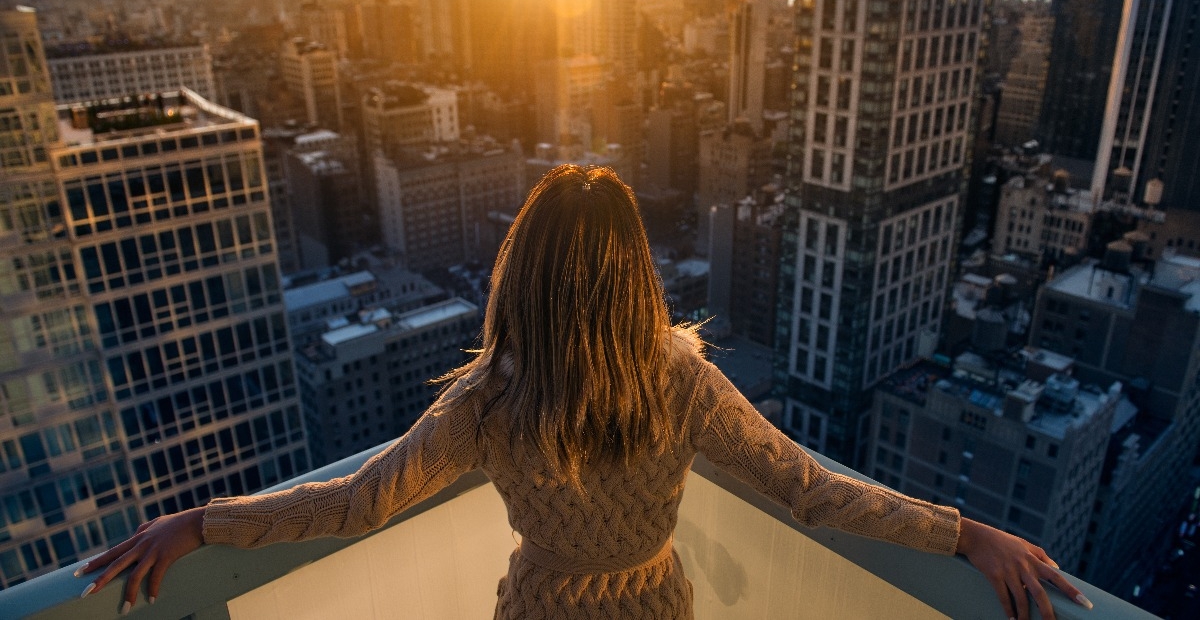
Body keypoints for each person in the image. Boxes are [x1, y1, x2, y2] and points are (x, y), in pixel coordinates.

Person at [76, 165, 1092, 619]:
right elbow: (812, 488)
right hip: (657, 607)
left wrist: (200, 523)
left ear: (524, 270)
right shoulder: (679, 380)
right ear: (632, 273)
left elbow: (353, 502)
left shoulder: (487, 400)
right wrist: (965, 533)